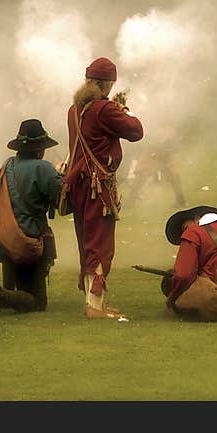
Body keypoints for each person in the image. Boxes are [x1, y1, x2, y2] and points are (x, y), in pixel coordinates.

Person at [63, 57, 143, 319]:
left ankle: (93, 301)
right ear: (107, 85)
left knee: (87, 242)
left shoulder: (74, 110)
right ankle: (94, 307)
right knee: (100, 244)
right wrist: (125, 110)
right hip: (97, 186)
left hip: (79, 184)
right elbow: (136, 131)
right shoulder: (104, 109)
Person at [0, 119, 62, 314]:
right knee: (37, 304)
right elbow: (60, 196)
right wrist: (60, 175)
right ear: (39, 149)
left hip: (2, 235)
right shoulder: (44, 168)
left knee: (14, 282)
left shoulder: (7, 164)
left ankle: (2, 292)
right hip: (27, 241)